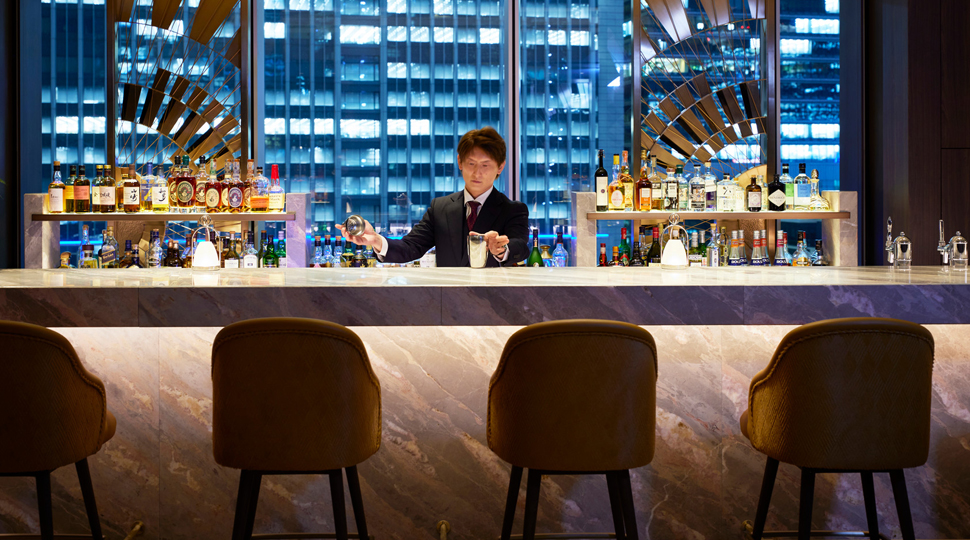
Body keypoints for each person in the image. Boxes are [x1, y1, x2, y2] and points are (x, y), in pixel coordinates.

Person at [337, 127, 529, 267]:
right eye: (471, 163)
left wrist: (501, 249)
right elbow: (410, 246)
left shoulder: (513, 209)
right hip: (446, 303)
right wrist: (376, 240)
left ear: (500, 167)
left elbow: (520, 245)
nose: (477, 173)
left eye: (485, 165)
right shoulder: (441, 207)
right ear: (460, 162)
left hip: (494, 302)